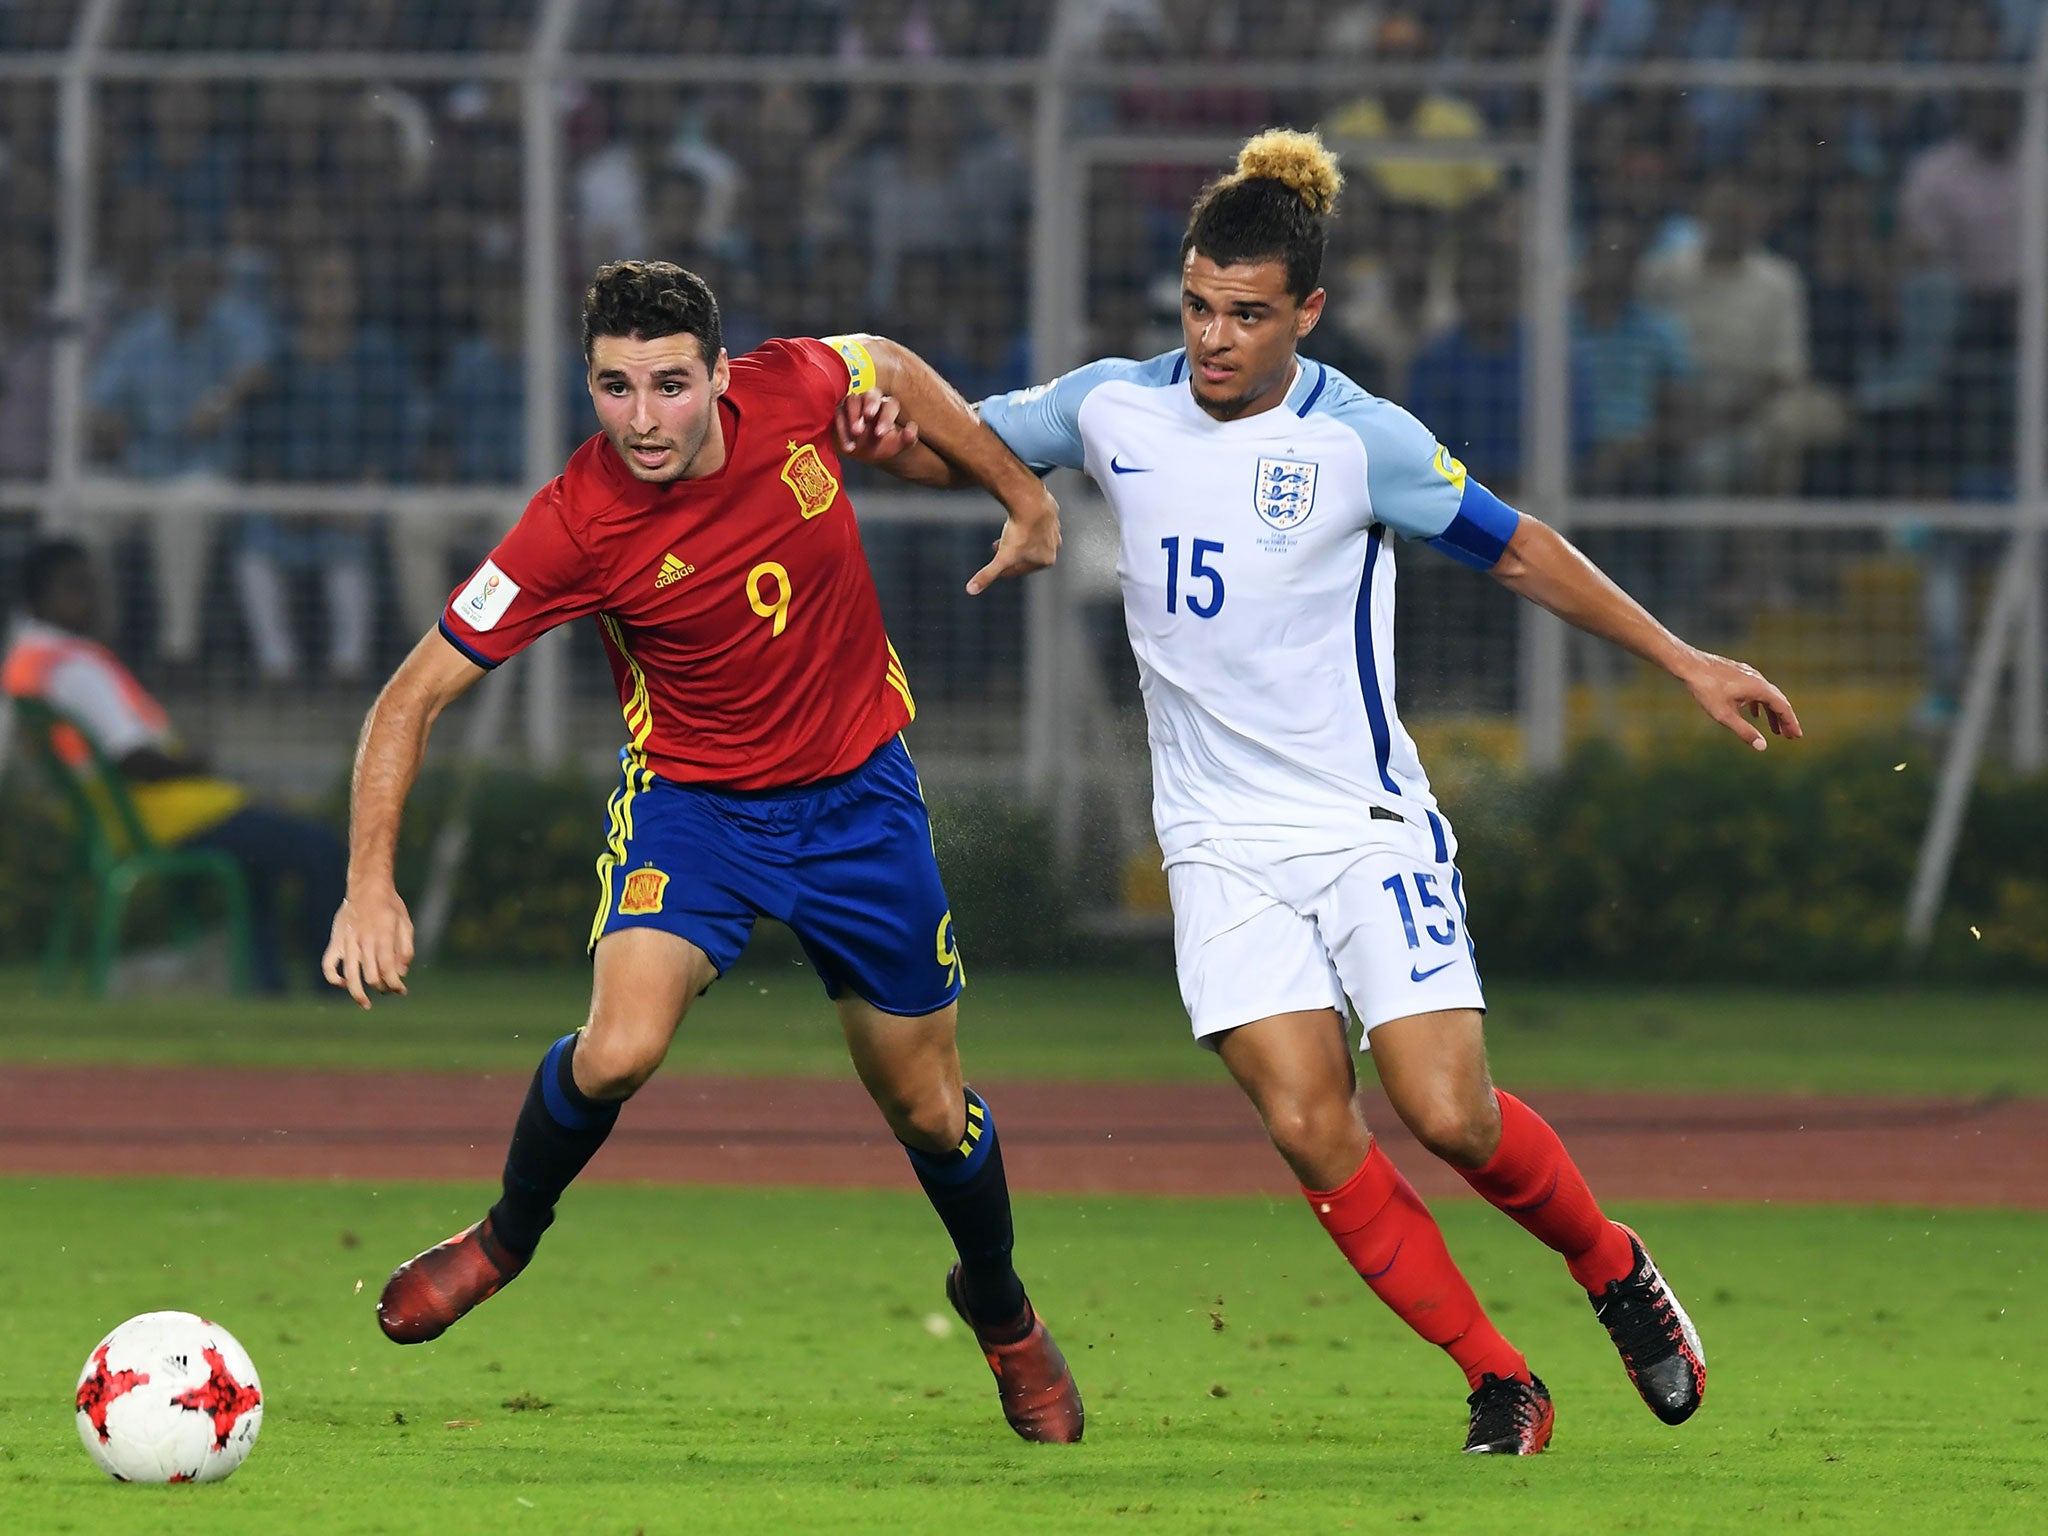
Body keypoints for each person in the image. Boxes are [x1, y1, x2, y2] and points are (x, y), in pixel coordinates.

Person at [842, 129, 1801, 1455]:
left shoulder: (1362, 441)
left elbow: (1518, 552)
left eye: (1247, 314)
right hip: (1215, 843)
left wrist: (1683, 658)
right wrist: (892, 438)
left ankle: (1609, 1266)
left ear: (1308, 312)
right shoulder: (1115, 404)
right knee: (1309, 1124)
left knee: (1447, 1110)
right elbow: (964, 446)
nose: (1216, 338)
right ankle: (1500, 1381)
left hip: (1362, 824)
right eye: (1198, 306)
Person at [322, 260, 1084, 1445]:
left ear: (721, 377)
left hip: (859, 807)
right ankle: (506, 1236)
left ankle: (999, 1310)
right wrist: (369, 884)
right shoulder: (573, 521)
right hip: (697, 810)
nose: (641, 420)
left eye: (669, 386)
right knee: (619, 1047)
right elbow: (409, 698)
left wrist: (1019, 498)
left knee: (930, 1111)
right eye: (614, 389)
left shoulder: (791, 390)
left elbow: (887, 357)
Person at [3, 539, 347, 993]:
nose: (93, 600)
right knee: (325, 852)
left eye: (94, 586)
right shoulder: (75, 667)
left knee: (259, 863)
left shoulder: (26, 662)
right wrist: (194, 765)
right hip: (167, 815)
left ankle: (268, 986)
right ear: (39, 599)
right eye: (76, 588)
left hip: (114, 816)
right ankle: (335, 989)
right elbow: (132, 758)